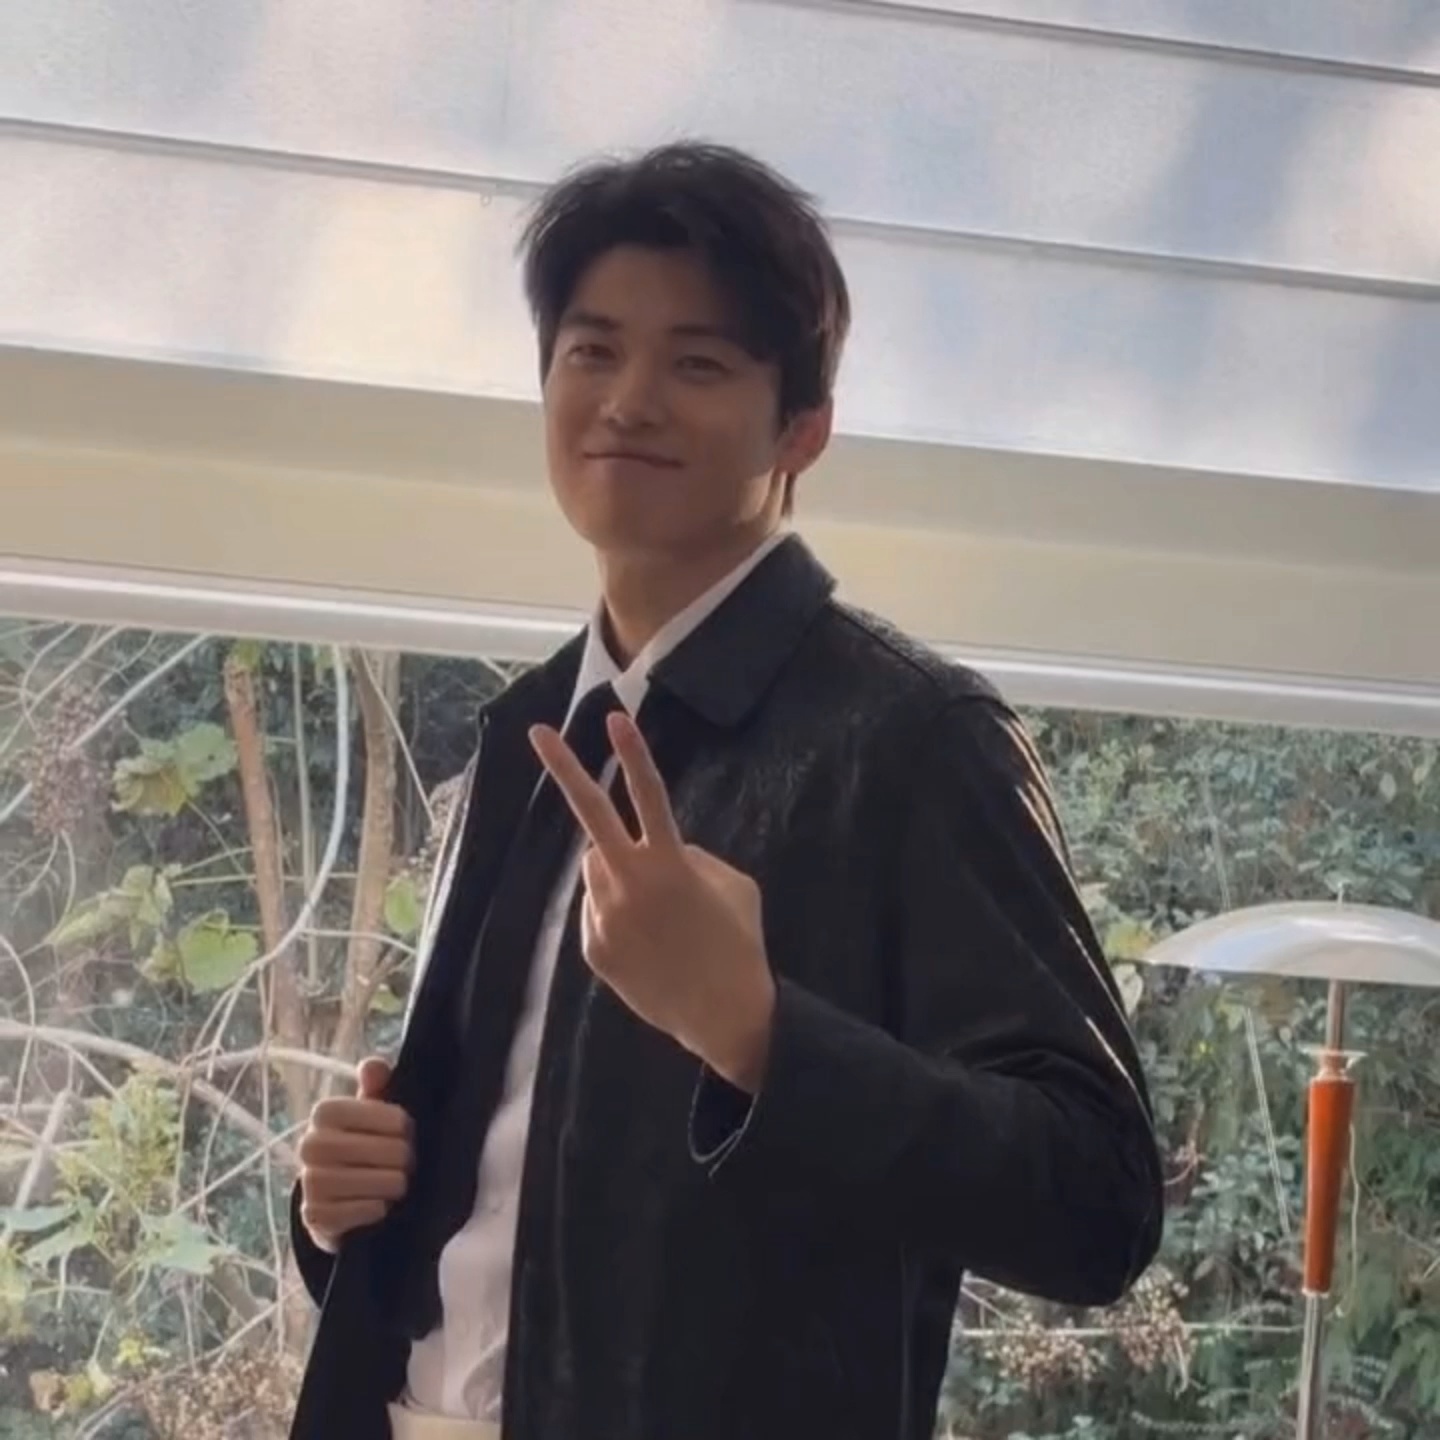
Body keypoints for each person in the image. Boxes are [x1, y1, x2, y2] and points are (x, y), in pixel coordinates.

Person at [287, 142, 1163, 1440]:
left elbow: (1097, 1200)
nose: (627, 401)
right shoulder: (527, 733)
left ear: (801, 427)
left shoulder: (913, 739)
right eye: (591, 351)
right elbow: (510, 1216)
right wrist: (343, 1212)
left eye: (697, 364)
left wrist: (756, 1032)